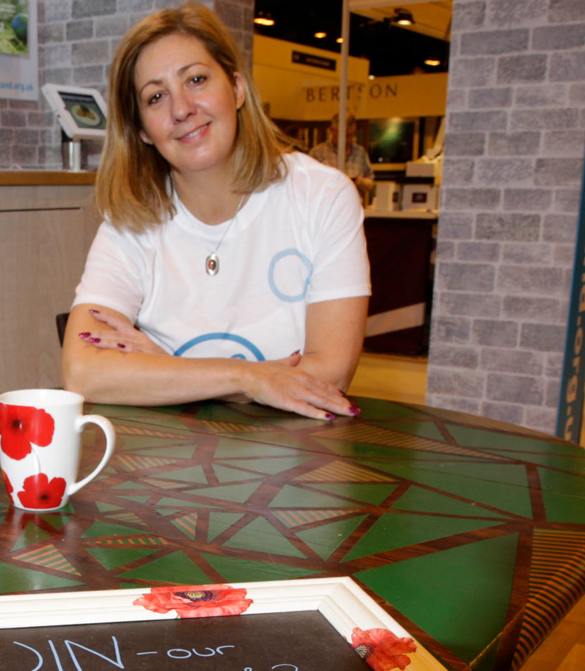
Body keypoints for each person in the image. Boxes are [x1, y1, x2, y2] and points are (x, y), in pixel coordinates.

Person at [61, 2, 370, 421]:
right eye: (156, 97)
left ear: (238, 89)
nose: (182, 108)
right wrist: (249, 379)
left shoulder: (323, 196)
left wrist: (169, 370)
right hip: (164, 469)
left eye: (197, 79)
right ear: (142, 131)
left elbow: (330, 372)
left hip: (297, 469)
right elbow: (83, 372)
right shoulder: (131, 220)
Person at [311, 113, 375, 204]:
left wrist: (360, 182)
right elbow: (309, 184)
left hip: (354, 207)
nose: (348, 140)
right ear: (332, 131)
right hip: (327, 208)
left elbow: (370, 184)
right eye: (345, 135)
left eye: (351, 135)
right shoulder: (318, 153)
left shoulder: (360, 152)